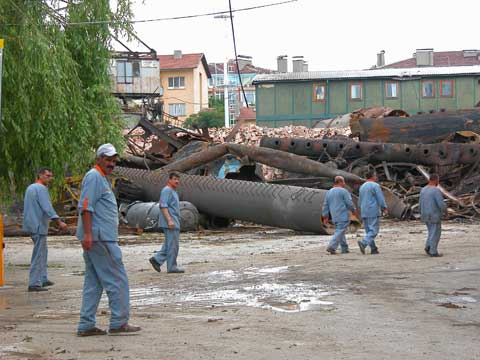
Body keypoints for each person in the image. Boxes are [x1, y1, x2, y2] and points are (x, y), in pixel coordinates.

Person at [76, 144, 140, 336]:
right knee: (117, 279)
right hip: (100, 238)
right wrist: (88, 234)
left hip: (97, 237)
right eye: (108, 159)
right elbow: (86, 207)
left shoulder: (100, 178)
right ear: (98, 160)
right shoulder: (94, 177)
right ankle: (119, 322)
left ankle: (86, 325)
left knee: (94, 282)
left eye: (114, 160)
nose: (112, 163)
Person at [23, 167, 68, 292]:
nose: (50, 178)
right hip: (38, 225)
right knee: (39, 254)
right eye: (47, 176)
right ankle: (34, 283)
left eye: (50, 176)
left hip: (32, 224)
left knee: (43, 251)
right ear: (40, 175)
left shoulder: (30, 188)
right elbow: (47, 207)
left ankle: (42, 278)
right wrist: (59, 222)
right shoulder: (41, 189)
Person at [149, 172, 184, 273]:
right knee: (173, 245)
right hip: (170, 222)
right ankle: (172, 267)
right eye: (174, 179)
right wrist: (169, 220)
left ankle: (156, 260)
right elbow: (163, 205)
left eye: (178, 179)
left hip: (173, 220)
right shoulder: (167, 190)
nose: (177, 181)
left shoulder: (172, 191)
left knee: (169, 244)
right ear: (169, 180)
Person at [322, 176, 356, 255]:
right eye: (344, 182)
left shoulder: (329, 192)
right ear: (340, 182)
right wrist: (353, 210)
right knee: (340, 231)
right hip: (342, 215)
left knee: (340, 231)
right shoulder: (344, 191)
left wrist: (325, 216)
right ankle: (332, 246)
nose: (344, 183)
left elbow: (325, 205)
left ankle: (344, 248)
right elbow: (349, 203)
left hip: (334, 216)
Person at [357, 170, 388, 255]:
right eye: (375, 175)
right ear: (372, 176)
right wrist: (384, 207)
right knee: (374, 230)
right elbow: (380, 198)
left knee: (368, 231)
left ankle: (373, 249)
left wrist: (360, 209)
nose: (376, 177)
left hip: (364, 210)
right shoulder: (375, 185)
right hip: (372, 210)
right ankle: (363, 243)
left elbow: (359, 201)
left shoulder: (362, 186)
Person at [419, 173, 447, 257]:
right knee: (435, 233)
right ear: (436, 180)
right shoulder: (435, 190)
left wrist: (421, 212)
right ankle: (433, 251)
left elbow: (420, 203)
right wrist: (445, 211)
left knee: (431, 231)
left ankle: (428, 246)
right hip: (434, 214)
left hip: (425, 214)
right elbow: (441, 204)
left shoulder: (423, 190)